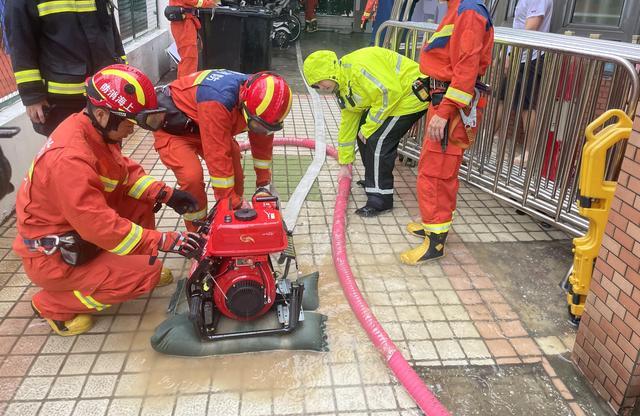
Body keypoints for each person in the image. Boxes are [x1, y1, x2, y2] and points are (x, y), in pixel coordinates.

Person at [13, 65, 204, 336]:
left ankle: (133, 264)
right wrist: (162, 241)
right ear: (102, 114)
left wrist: (166, 194)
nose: (132, 131)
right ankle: (51, 304)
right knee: (147, 275)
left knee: (141, 201)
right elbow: (99, 226)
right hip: (55, 257)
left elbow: (123, 174)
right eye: (129, 123)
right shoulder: (70, 159)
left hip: (75, 231)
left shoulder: (91, 129)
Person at [400, 0, 494, 264]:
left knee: (434, 172)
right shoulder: (459, 6)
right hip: (443, 101)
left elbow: (466, 69)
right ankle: (433, 225)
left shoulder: (469, 11)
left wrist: (445, 111)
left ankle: (435, 242)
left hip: (451, 108)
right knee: (437, 169)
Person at [5, 0, 126, 136]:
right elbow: (21, 45)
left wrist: (122, 74)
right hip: (61, 102)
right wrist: (33, 96)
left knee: (108, 157)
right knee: (72, 160)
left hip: (103, 95)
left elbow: (111, 32)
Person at [153, 70, 293, 230]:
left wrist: (264, 183)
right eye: (256, 126)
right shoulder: (218, 99)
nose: (260, 130)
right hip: (176, 130)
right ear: (244, 102)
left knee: (236, 177)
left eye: (266, 128)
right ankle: (197, 233)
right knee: (192, 177)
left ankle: (231, 222)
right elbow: (217, 155)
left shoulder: (264, 109)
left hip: (206, 125)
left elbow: (262, 144)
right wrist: (232, 200)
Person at [303, 47, 428, 216]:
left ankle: (381, 199)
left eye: (320, 81)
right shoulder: (343, 87)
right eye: (316, 86)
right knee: (363, 132)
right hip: (397, 97)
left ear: (330, 72)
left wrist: (369, 128)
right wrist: (344, 164)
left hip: (412, 93)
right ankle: (373, 181)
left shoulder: (356, 70)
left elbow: (389, 93)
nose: (320, 87)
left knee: (378, 140)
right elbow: (348, 125)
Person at [496, 0, 553, 164]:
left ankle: (529, 152)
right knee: (501, 98)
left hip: (530, 58)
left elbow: (530, 28)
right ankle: (484, 140)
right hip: (519, 56)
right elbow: (519, 28)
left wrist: (512, 54)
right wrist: (506, 53)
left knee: (527, 107)